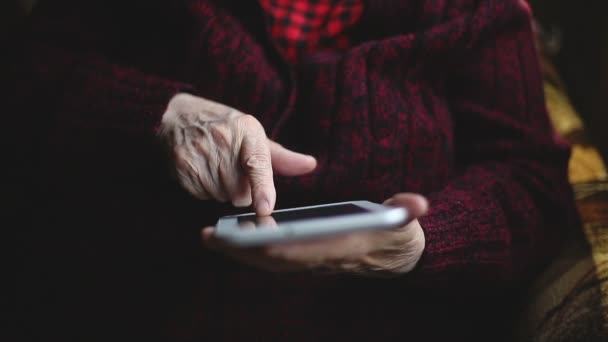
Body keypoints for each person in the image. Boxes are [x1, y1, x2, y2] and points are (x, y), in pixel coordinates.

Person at [10, 0, 578, 340]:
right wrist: (160, 116)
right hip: (124, 315)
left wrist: (426, 241)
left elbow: (529, 176)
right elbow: (26, 79)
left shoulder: (474, 8)